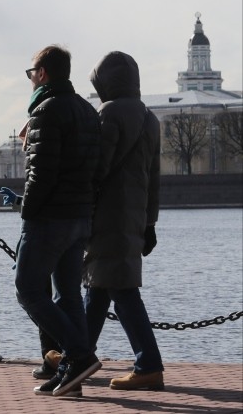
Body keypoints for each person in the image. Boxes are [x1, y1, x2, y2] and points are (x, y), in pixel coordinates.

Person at [12, 45, 102, 397]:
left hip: (49, 218)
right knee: (67, 296)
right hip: (80, 217)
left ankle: (79, 356)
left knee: (28, 290)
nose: (31, 78)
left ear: (42, 74)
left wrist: (27, 212)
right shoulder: (85, 110)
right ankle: (71, 371)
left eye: (31, 72)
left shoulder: (45, 112)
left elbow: (41, 174)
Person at [83, 51, 164, 390]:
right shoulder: (150, 118)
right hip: (133, 217)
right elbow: (154, 178)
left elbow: (97, 169)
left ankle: (148, 364)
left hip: (107, 216)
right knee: (100, 286)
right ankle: (79, 353)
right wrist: (149, 223)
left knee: (121, 290)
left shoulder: (108, 113)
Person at [0, 187, 63, 381]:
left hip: (48, 237)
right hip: (63, 231)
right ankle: (67, 354)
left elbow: (42, 198)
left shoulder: (45, 157)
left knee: (37, 300)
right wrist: (19, 201)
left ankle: (59, 357)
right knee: (59, 300)